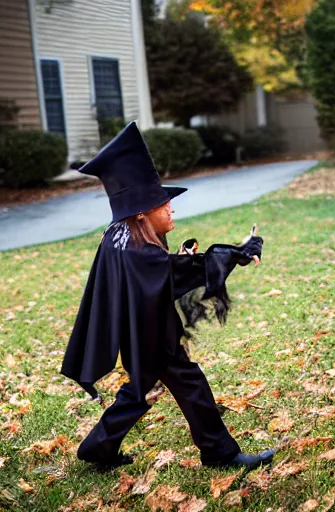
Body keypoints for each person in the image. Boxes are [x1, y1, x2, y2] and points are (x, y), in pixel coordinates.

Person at [60, 122, 275, 470]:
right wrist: (237, 253)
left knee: (138, 393)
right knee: (189, 384)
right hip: (153, 338)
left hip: (138, 333)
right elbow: (171, 274)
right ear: (142, 212)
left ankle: (99, 447)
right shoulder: (139, 251)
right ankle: (221, 454)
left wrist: (180, 258)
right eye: (164, 203)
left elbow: (158, 273)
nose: (171, 209)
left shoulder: (118, 235)